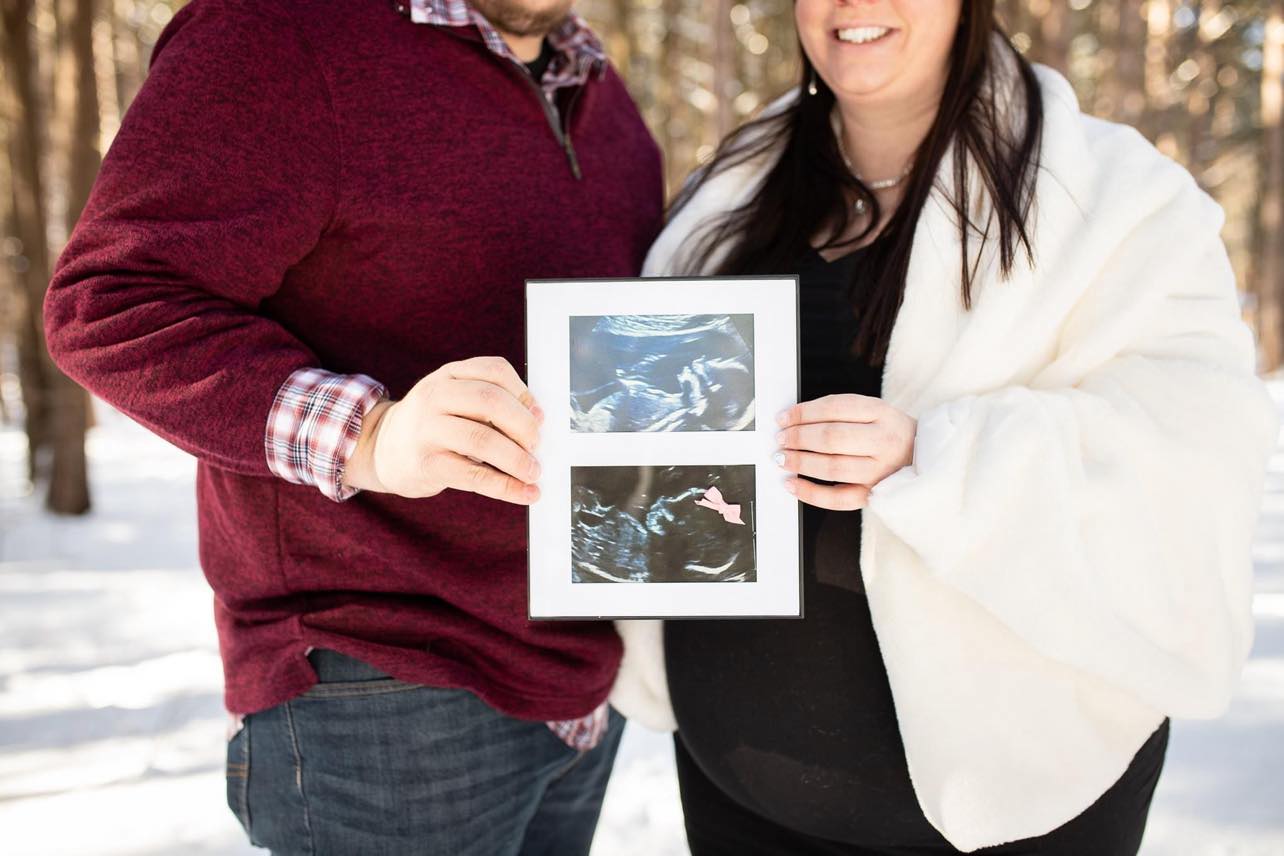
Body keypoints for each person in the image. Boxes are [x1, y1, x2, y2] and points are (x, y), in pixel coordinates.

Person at [609, 1, 1279, 854]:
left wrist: (943, 456)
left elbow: (1199, 446)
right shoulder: (730, 191)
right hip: (736, 789)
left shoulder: (1116, 197)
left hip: (1021, 805)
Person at [42, 0, 663, 853]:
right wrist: (370, 435)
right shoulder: (283, 32)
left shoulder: (604, 99)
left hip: (576, 684)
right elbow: (110, 305)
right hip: (379, 692)